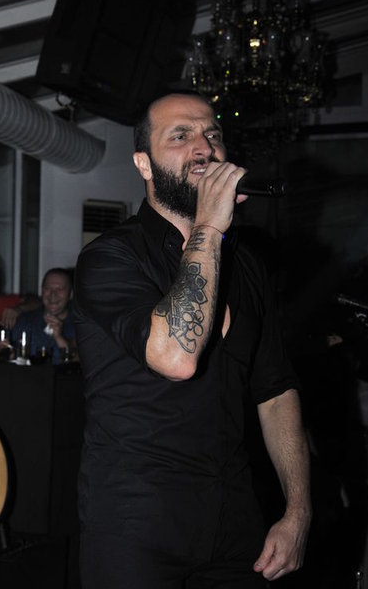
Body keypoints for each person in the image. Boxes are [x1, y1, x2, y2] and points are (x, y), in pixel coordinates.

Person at [74, 92, 311, 589]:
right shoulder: (111, 257)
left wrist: (297, 511)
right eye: (181, 136)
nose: (204, 147)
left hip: (235, 520)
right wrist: (209, 225)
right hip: (137, 525)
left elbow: (275, 391)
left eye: (213, 135)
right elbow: (176, 358)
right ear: (144, 163)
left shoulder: (246, 266)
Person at [11, 267, 76, 364]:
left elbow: (83, 363)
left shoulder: (82, 325)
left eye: (60, 289)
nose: (53, 294)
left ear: (70, 294)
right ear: (42, 291)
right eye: (48, 288)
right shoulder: (24, 321)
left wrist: (59, 337)